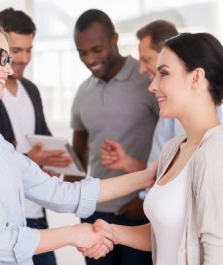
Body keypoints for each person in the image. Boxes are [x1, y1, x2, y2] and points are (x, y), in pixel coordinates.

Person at [0, 16, 156, 265]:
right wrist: (75, 234)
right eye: (0, 57)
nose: (9, 69)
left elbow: (61, 194)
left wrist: (148, 176)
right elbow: (0, 242)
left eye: (8, 59)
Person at [83, 32, 223, 265]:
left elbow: (218, 256)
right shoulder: (173, 149)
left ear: (196, 78)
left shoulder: (217, 153)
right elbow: (164, 234)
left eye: (163, 73)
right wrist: (112, 232)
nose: (152, 86)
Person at [69, 9, 158, 265]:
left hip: (138, 211)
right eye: (82, 52)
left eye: (96, 49)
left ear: (115, 39)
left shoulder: (147, 81)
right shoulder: (83, 92)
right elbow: (78, 157)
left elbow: (172, 143)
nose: (89, 59)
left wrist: (146, 200)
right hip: (95, 215)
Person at [0, 8, 68, 265]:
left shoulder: (31, 90)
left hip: (36, 212)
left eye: (29, 49)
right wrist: (28, 159)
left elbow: (41, 139)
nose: (24, 58)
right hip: (5, 219)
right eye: (16, 50)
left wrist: (50, 162)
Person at [102, 20, 179, 174]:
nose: (141, 70)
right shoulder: (168, 103)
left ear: (168, 55)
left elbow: (178, 174)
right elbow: (161, 172)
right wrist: (127, 163)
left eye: (146, 59)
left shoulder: (182, 105)